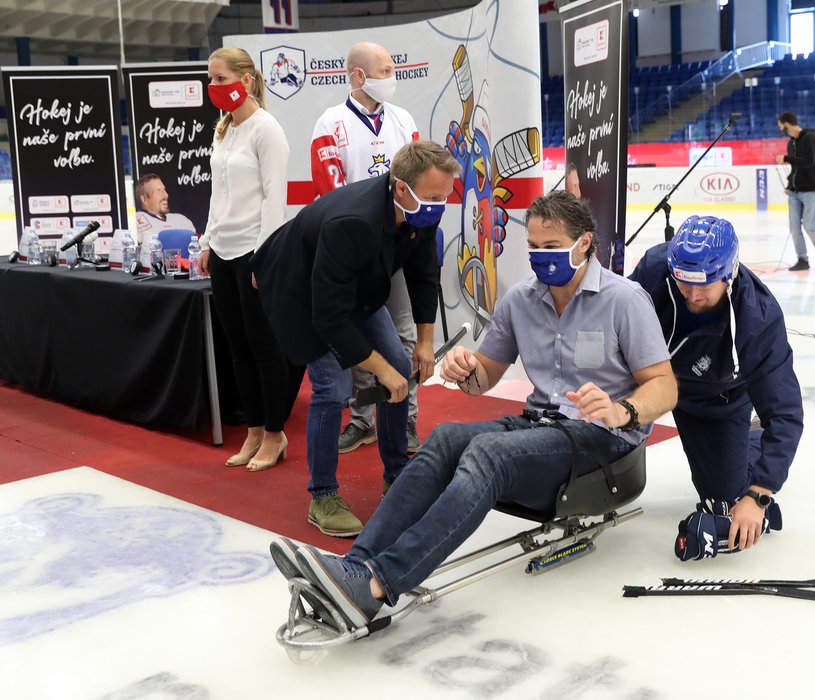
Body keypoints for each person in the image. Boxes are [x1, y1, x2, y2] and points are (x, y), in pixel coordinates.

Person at [269, 190, 677, 627]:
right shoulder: (521, 299)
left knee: (488, 454)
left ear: (585, 244)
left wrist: (623, 410)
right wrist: (466, 369)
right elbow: (485, 375)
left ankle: (376, 585)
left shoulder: (625, 299)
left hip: (603, 441)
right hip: (541, 427)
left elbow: (665, 387)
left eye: (552, 248)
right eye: (534, 248)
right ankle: (354, 568)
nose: (541, 258)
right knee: (445, 438)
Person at [252, 140, 459, 537]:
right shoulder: (355, 221)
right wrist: (379, 369)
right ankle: (323, 496)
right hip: (297, 289)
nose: (440, 205)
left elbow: (423, 274)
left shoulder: (421, 207)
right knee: (334, 386)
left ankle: (397, 475)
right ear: (401, 187)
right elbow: (328, 316)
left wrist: (425, 342)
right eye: (435, 196)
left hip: (348, 286)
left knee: (399, 367)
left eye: (445, 196)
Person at [629, 215, 803, 555]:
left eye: (705, 285)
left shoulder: (758, 317)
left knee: (723, 500)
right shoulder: (654, 270)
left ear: (729, 273)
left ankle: (748, 437)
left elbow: (785, 412)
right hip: (649, 381)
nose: (693, 295)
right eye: (683, 282)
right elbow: (614, 323)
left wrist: (760, 493)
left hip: (715, 402)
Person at [310, 41, 424, 457]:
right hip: (353, 249)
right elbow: (331, 192)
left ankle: (406, 415)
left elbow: (418, 177)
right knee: (359, 336)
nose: (392, 77)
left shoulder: (402, 119)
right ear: (359, 75)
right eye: (385, 69)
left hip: (395, 246)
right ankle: (363, 420)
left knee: (404, 333)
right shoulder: (331, 123)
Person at [198, 47, 291, 473]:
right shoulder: (223, 130)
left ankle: (275, 433)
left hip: (254, 251)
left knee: (264, 347)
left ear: (247, 79)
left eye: (220, 79)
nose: (213, 87)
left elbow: (276, 198)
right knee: (237, 347)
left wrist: (264, 256)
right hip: (222, 251)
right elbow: (218, 194)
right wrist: (205, 242)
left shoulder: (265, 129)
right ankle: (253, 430)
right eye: (211, 79)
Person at [775, 111, 815, 271]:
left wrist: (786, 158)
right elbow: (795, 169)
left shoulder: (809, 138)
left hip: (812, 189)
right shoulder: (790, 143)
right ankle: (802, 259)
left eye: (781, 126)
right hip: (795, 191)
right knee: (794, 227)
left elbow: (810, 161)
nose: (781, 130)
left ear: (786, 124)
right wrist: (789, 184)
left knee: (809, 225)